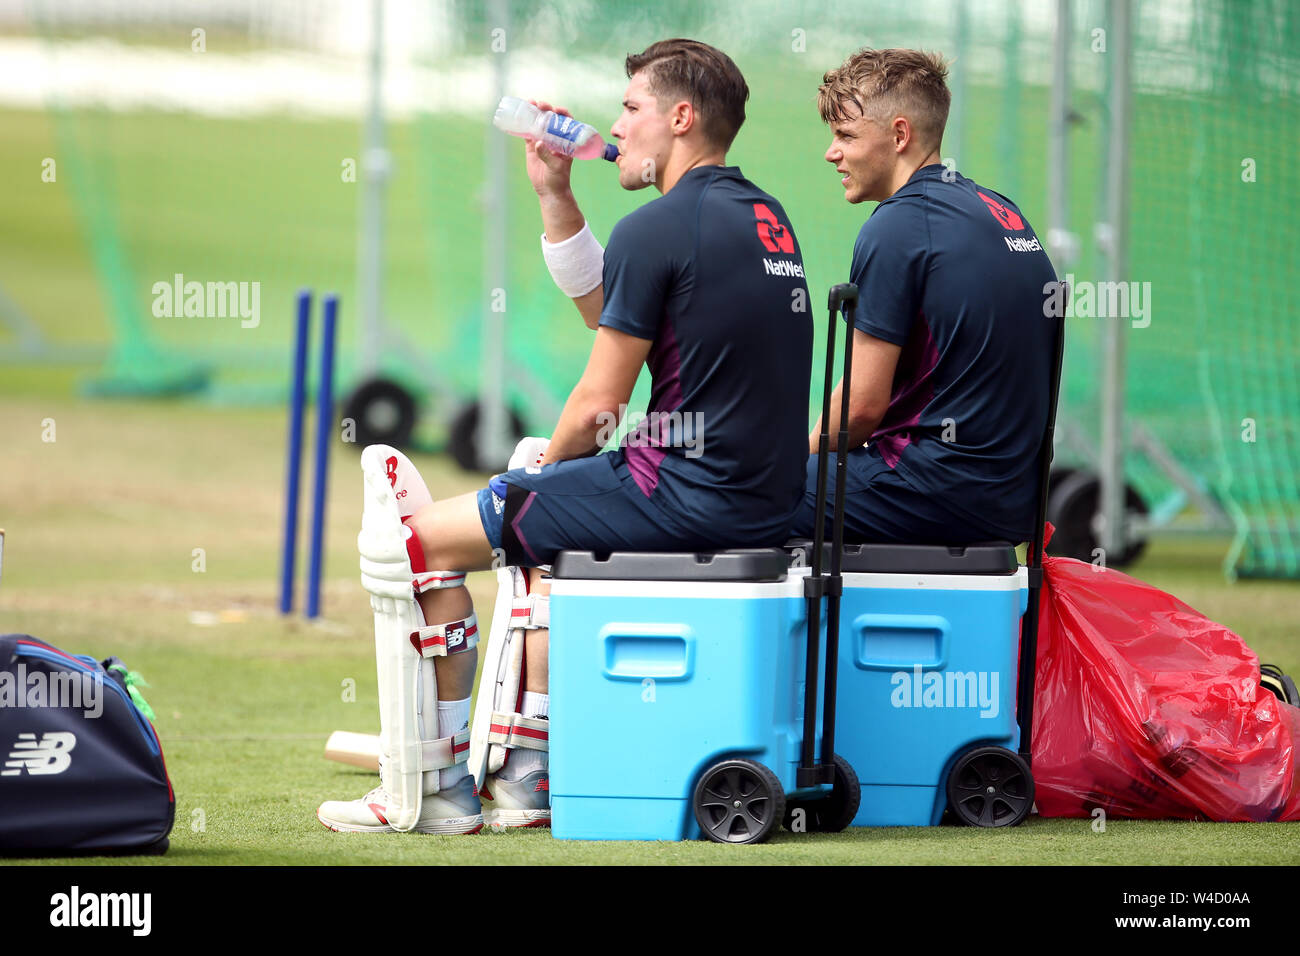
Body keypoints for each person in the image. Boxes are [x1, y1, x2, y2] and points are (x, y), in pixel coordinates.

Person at [318, 38, 813, 835]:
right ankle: (526, 777)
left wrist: (543, 470)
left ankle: (435, 789)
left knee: (411, 545)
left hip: (681, 496)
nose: (617, 123)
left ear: (679, 118)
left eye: (631, 108)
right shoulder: (767, 219)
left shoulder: (661, 225)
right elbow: (611, 312)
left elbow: (597, 404)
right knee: (544, 532)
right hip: (756, 499)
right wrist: (556, 193)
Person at [792, 48, 1058, 547]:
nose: (832, 152)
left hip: (934, 491)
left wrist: (797, 461)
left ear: (899, 135)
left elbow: (860, 409)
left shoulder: (898, 225)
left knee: (742, 496)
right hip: (1015, 500)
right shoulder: (1003, 211)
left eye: (846, 135)